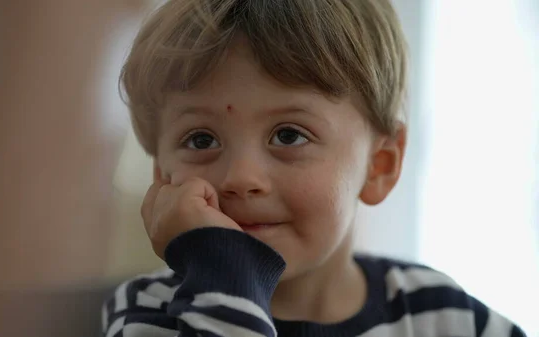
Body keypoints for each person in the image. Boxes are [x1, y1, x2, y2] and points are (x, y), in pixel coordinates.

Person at [102, 0, 526, 336]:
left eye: (289, 135)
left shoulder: (444, 318)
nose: (241, 179)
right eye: (201, 140)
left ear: (379, 165)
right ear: (162, 176)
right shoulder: (149, 312)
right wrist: (222, 269)